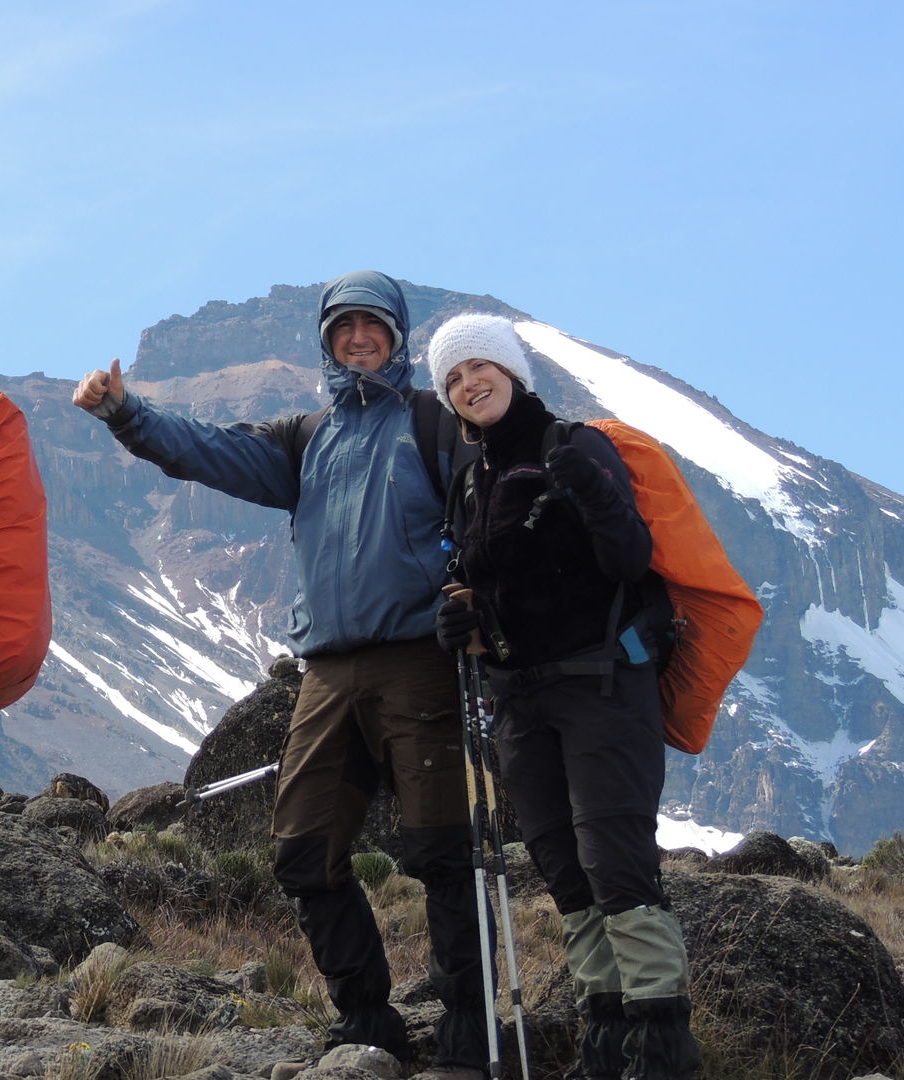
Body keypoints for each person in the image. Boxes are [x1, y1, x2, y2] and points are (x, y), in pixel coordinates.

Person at [73, 271, 490, 1078]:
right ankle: (367, 1018)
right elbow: (213, 452)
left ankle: (467, 1029)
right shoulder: (309, 438)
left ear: (398, 338)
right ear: (327, 342)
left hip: (419, 665)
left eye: (374, 327)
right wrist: (128, 415)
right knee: (303, 853)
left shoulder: (437, 426)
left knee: (442, 851)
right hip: (327, 672)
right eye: (344, 328)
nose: (359, 339)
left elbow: (492, 516)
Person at [428, 313, 698, 1080]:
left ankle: (662, 1049)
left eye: (480, 367)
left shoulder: (573, 447)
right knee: (565, 871)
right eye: (452, 378)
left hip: (603, 685)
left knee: (617, 863)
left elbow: (627, 557)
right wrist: (461, 618)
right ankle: (605, 1045)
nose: (468, 383)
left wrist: (594, 494)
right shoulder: (470, 479)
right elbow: (487, 578)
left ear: (513, 371)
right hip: (521, 699)